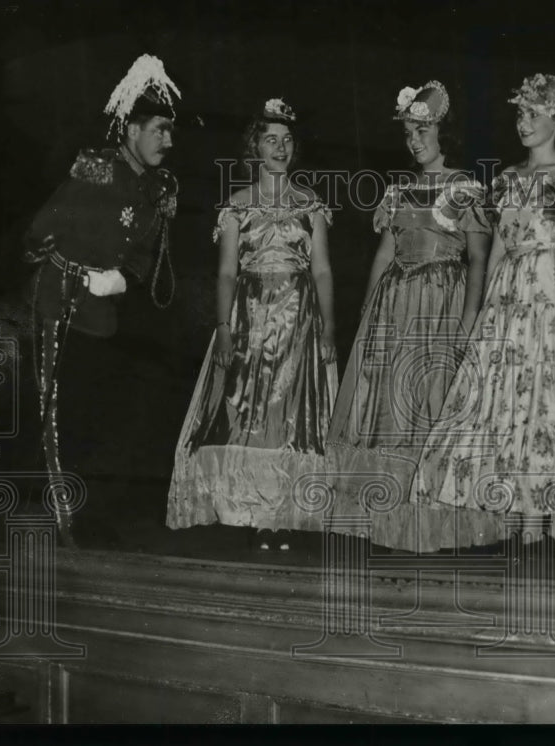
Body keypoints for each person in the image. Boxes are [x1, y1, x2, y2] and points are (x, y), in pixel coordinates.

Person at [412, 74, 555, 551]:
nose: (524, 123)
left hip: (553, 297)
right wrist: (478, 315)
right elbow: (498, 251)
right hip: (509, 302)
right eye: (520, 114)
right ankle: (524, 515)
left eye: (533, 115)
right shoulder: (509, 180)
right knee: (509, 406)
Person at [325, 81, 497, 552]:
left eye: (422, 130)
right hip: (393, 305)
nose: (414, 141)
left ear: (443, 132)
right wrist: (367, 307)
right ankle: (382, 515)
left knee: (427, 398)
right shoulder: (398, 190)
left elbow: (479, 259)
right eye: (408, 133)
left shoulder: (465, 188)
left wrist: (468, 319)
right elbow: (384, 253)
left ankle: (429, 519)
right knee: (384, 408)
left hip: (439, 305)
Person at [167, 98, 337, 550]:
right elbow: (225, 272)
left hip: (298, 320)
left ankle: (282, 515)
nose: (279, 148)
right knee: (248, 414)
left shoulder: (311, 205)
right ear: (255, 148)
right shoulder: (237, 207)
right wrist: (223, 326)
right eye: (270, 139)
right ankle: (253, 512)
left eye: (286, 141)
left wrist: (328, 328)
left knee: (290, 416)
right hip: (250, 320)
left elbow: (321, 271)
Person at [24, 54, 180, 546]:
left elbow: (148, 258)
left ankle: (76, 514)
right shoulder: (95, 167)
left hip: (104, 314)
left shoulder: (157, 189)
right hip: (61, 304)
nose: (168, 141)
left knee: (93, 413)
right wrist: (70, 266)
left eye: (169, 132)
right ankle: (61, 524)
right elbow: (41, 231)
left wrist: (121, 279)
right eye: (158, 130)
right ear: (132, 130)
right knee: (54, 415)